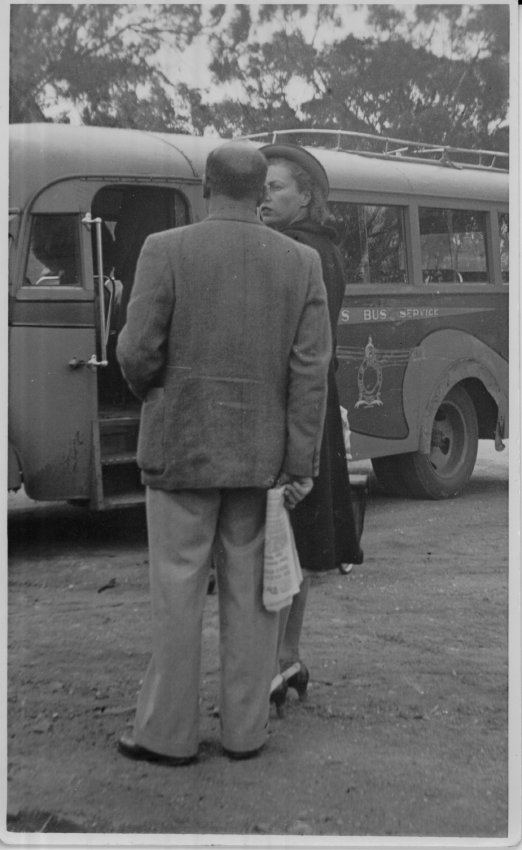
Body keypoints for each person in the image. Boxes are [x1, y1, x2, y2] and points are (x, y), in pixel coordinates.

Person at [116, 140, 332, 765]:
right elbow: (310, 370)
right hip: (261, 459)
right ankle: (246, 731)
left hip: (180, 447)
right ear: (261, 189)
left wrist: (155, 391)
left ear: (206, 187)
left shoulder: (165, 249)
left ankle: (165, 735)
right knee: (253, 595)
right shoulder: (301, 264)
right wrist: (300, 462)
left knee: (176, 591)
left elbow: (136, 351)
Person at [260, 143, 364, 707]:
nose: (264, 197)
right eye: (262, 187)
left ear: (307, 196)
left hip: (292, 408)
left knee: (278, 537)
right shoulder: (322, 248)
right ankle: (287, 655)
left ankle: (273, 661)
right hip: (313, 406)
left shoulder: (296, 251)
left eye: (276, 187)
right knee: (298, 538)